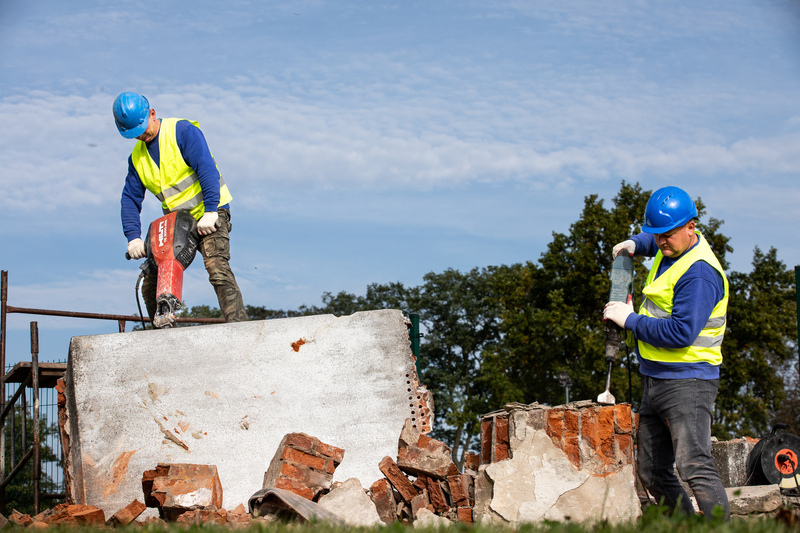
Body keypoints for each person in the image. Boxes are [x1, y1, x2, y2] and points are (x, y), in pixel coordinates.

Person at [603, 186, 729, 520]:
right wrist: (634, 242)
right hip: (656, 378)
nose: (660, 243)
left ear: (692, 226)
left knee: (694, 466)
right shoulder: (668, 245)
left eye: (667, 235)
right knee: (652, 470)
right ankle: (687, 527)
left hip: (688, 382)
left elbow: (680, 333)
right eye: (656, 235)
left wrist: (630, 320)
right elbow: (652, 239)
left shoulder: (699, 274)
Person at [112, 91, 247, 323]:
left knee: (217, 268)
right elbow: (130, 199)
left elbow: (207, 169)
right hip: (178, 221)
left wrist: (211, 210)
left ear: (152, 114)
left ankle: (239, 327)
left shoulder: (182, 132)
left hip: (209, 211)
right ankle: (161, 333)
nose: (141, 136)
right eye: (134, 134)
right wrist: (133, 237)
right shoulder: (137, 158)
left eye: (143, 128)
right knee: (150, 282)